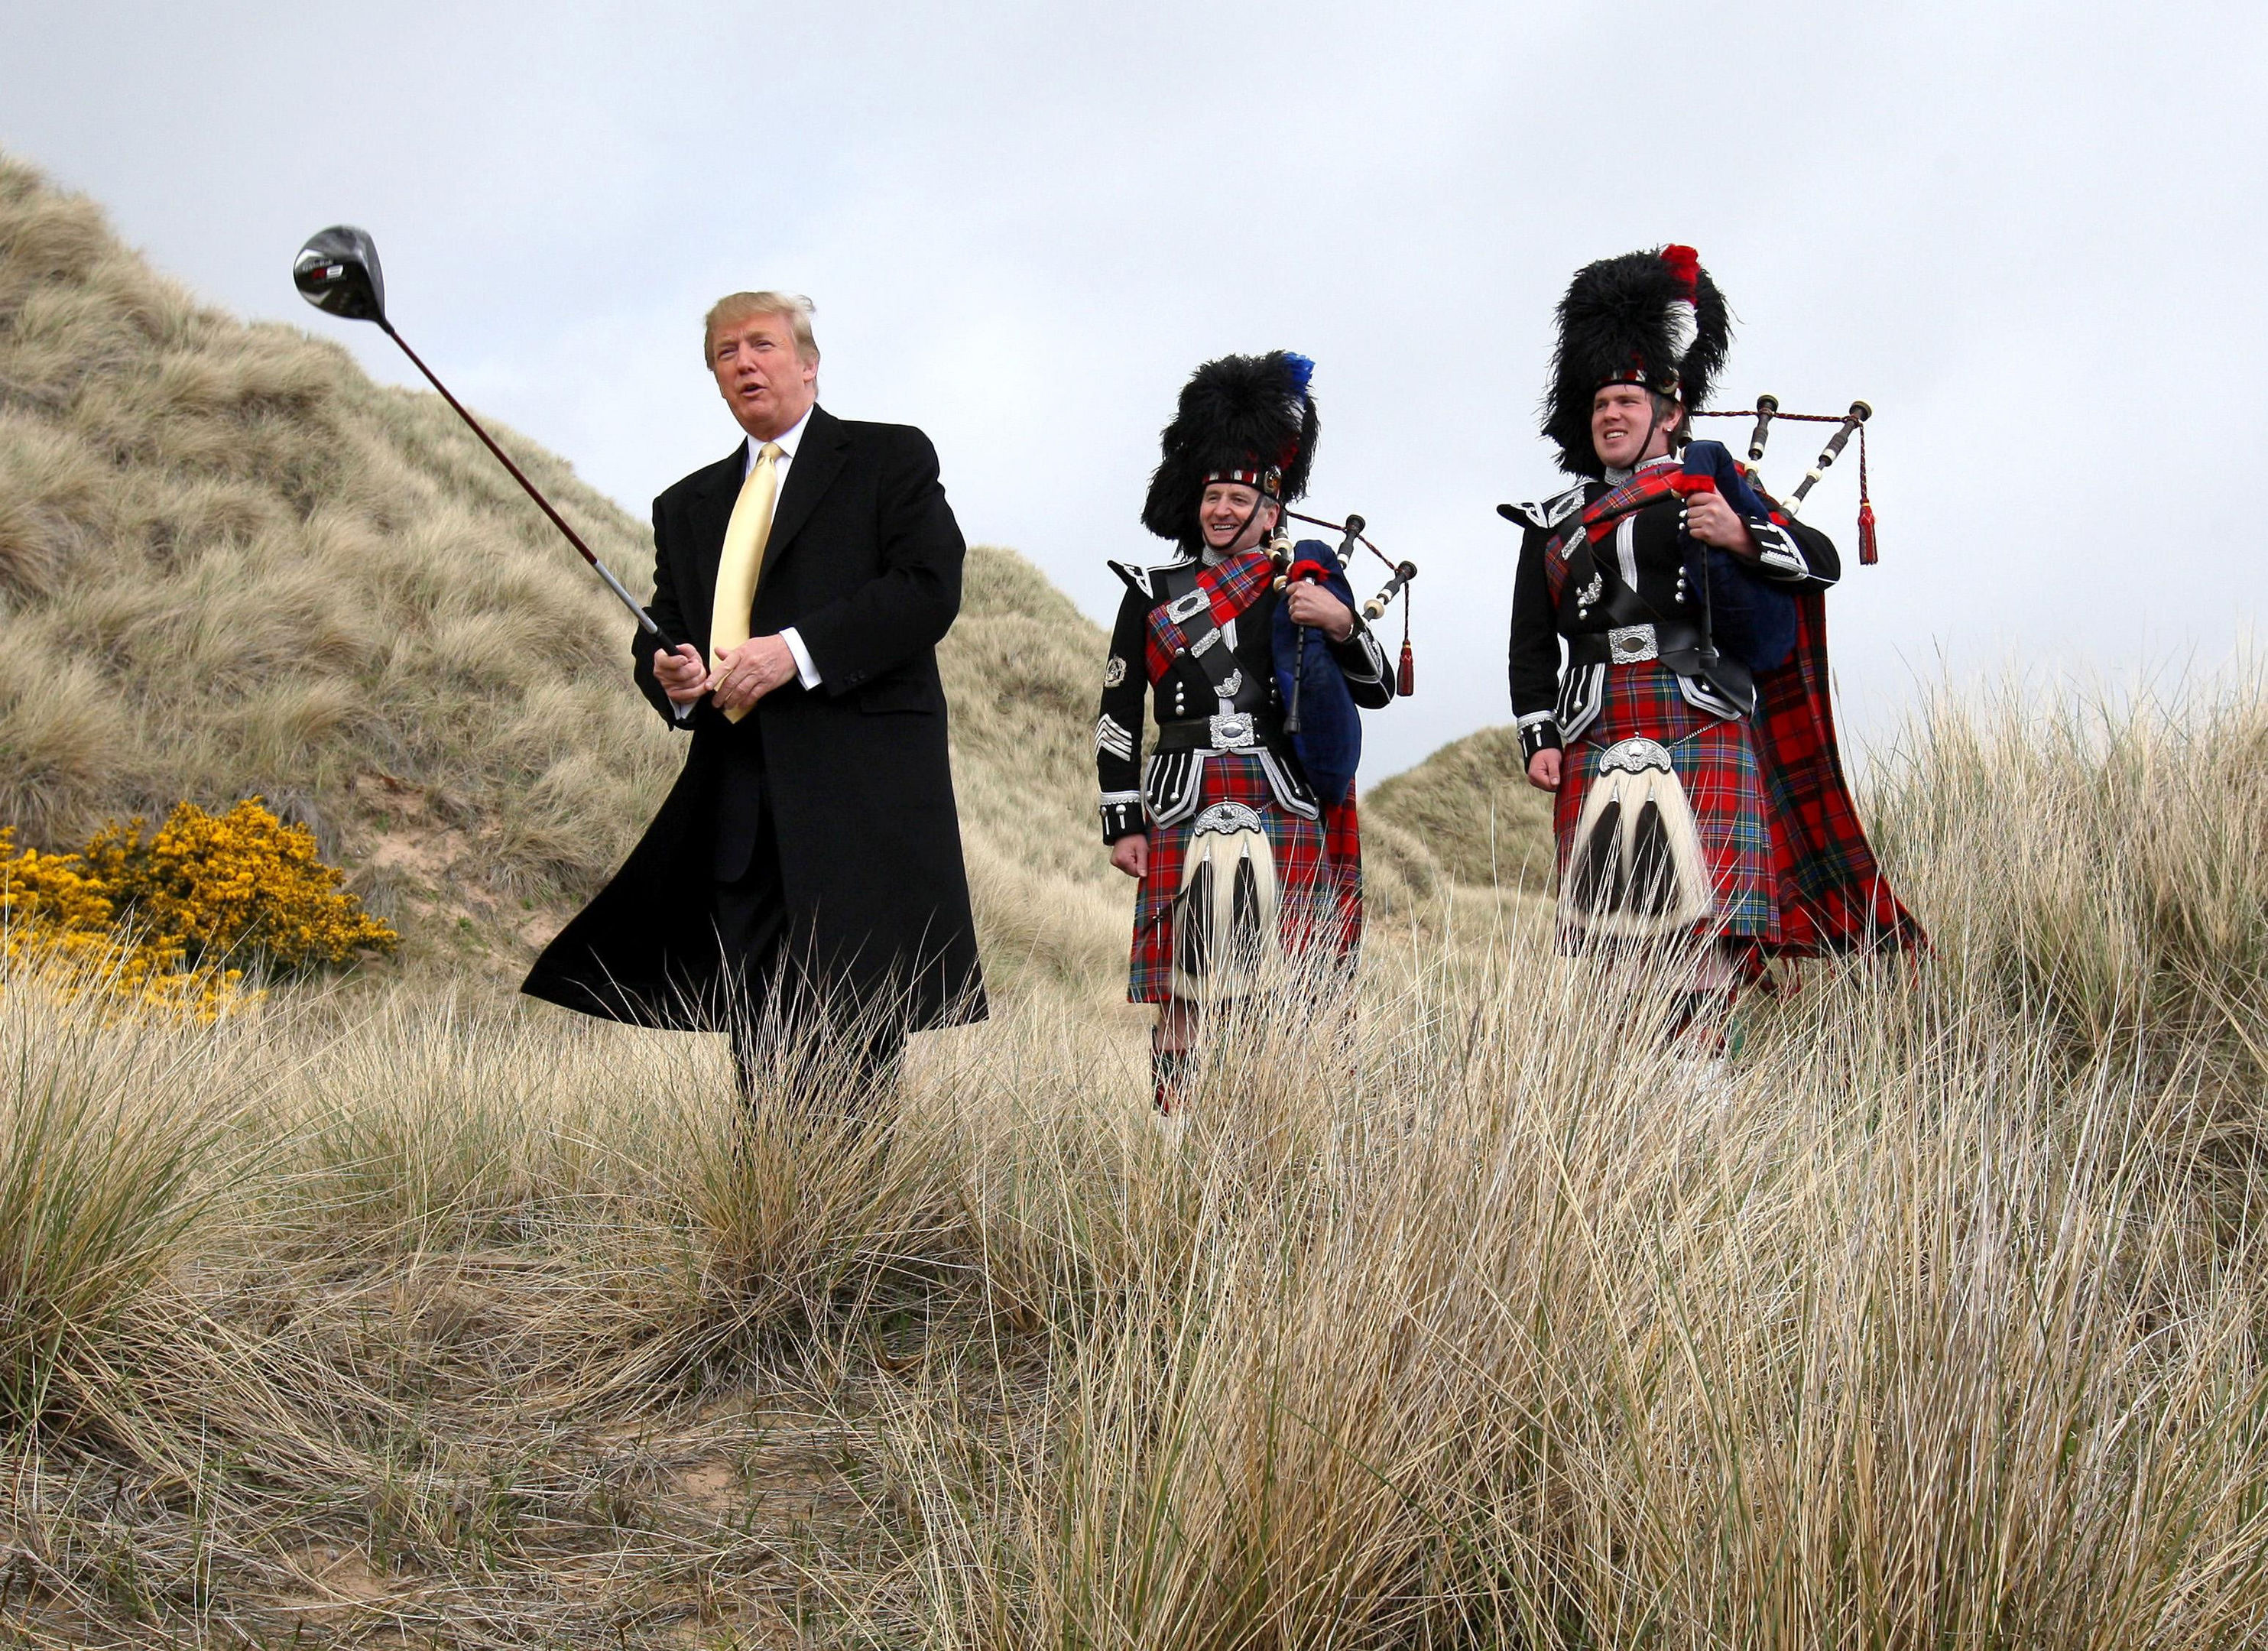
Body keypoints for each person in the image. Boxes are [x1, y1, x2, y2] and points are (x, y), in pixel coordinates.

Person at [523, 291, 985, 1102]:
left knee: (851, 1024)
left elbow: (926, 591)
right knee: (760, 1029)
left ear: (808, 364)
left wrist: (794, 653)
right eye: (725, 352)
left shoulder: (889, 459)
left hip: (858, 796)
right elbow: (664, 629)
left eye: (762, 344)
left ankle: (855, 1213)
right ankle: (771, 1211)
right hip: (741, 796)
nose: (743, 362)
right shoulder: (687, 505)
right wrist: (670, 676)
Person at [1504, 245, 1920, 1047]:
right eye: (1600, 405)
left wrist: (1740, 534)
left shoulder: (1712, 479)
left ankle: (1700, 1088)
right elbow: (1529, 643)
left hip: (1695, 709)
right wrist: (1538, 733)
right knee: (1616, 935)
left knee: (1701, 923)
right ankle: (1633, 1097)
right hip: (1594, 723)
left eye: (1627, 401)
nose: (1611, 416)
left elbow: (1821, 562)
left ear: (1670, 411)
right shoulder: (1549, 519)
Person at [1095, 352, 1397, 1112]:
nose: (1222, 511)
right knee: (1182, 994)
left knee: (1288, 987)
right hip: (1180, 795)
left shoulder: (1301, 583)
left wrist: (1342, 621)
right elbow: (1118, 714)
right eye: (1213, 497)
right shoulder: (1152, 593)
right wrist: (1121, 820)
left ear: (1272, 510)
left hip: (1277, 792)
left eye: (1239, 499)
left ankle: (1280, 1141)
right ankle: (1176, 1141)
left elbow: (1377, 689)